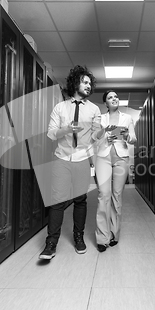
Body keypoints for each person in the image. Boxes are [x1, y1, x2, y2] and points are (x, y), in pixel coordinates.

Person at [39, 65, 101, 260]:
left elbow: (96, 135)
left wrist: (103, 133)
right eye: (85, 82)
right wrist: (67, 129)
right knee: (57, 201)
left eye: (90, 83)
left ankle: (78, 237)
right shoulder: (60, 107)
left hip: (83, 159)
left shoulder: (94, 109)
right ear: (75, 83)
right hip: (62, 158)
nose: (88, 86)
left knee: (80, 200)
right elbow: (50, 133)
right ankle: (51, 243)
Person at [93, 90, 137, 252]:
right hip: (103, 157)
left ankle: (114, 234)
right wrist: (105, 135)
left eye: (116, 97)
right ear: (105, 103)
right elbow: (94, 137)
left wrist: (126, 135)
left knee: (116, 196)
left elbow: (134, 138)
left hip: (121, 158)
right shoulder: (100, 119)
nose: (114, 99)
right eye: (110, 97)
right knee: (103, 194)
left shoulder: (127, 118)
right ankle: (102, 237)